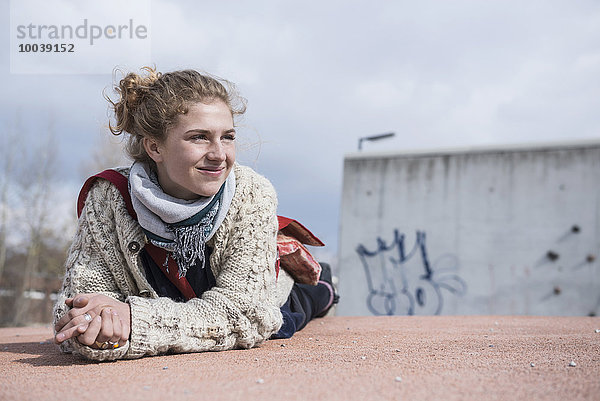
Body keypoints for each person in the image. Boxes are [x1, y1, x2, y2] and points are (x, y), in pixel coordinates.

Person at [53, 67, 338, 361]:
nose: (218, 154)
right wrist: (98, 325)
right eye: (199, 137)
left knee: (290, 313)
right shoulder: (107, 198)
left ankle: (324, 282)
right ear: (154, 147)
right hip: (183, 302)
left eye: (227, 137)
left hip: (271, 290)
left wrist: (134, 321)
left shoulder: (253, 192)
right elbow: (74, 311)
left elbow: (244, 314)